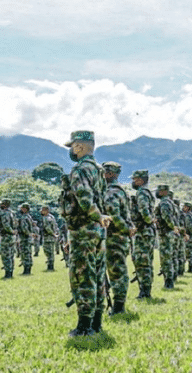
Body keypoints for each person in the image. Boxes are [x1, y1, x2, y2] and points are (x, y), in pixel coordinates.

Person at [61, 130, 110, 336]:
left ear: (79, 146)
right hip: (97, 232)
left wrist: (96, 216)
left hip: (84, 229)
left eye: (72, 146)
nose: (72, 150)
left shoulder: (80, 170)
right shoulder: (98, 170)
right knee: (97, 276)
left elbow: (84, 198)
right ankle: (96, 323)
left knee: (82, 277)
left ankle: (84, 326)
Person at [102, 161, 135, 315]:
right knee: (118, 269)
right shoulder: (121, 190)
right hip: (119, 237)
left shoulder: (111, 191)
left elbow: (113, 215)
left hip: (114, 237)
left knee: (116, 270)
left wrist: (126, 229)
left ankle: (119, 307)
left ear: (110, 173)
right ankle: (118, 304)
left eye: (104, 172)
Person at [130, 170, 155, 298]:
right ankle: (146, 289)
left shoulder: (141, 193)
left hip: (143, 230)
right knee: (146, 261)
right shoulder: (148, 193)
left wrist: (147, 221)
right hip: (147, 230)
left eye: (135, 179)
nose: (133, 181)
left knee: (142, 261)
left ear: (140, 180)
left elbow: (144, 211)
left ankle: (145, 292)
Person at [154, 185, 179, 289]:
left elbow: (166, 217)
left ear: (164, 192)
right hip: (169, 233)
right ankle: (170, 280)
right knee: (169, 257)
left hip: (166, 234)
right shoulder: (170, 202)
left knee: (166, 259)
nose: (157, 192)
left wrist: (173, 227)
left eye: (159, 191)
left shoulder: (164, 202)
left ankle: (169, 282)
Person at [0, 198, 17, 279]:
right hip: (11, 237)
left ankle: (8, 273)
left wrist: (11, 231)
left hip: (6, 236)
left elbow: (6, 225)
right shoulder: (12, 213)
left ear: (5, 205)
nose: (0, 205)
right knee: (11, 254)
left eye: (1, 204)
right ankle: (10, 272)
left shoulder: (4, 213)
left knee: (6, 255)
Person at [17, 203, 34, 275]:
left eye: (22, 208)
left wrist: (27, 234)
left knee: (25, 254)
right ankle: (28, 269)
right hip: (28, 238)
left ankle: (26, 270)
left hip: (25, 238)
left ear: (25, 209)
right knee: (28, 253)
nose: (20, 209)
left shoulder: (24, 217)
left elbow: (24, 228)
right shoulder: (29, 216)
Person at [40, 206, 58, 271]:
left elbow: (47, 228)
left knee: (48, 252)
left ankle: (50, 266)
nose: (41, 211)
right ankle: (50, 265)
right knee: (50, 252)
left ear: (46, 210)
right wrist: (55, 234)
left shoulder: (46, 218)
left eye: (42, 210)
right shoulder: (52, 217)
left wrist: (53, 234)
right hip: (51, 237)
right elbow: (55, 226)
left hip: (48, 237)